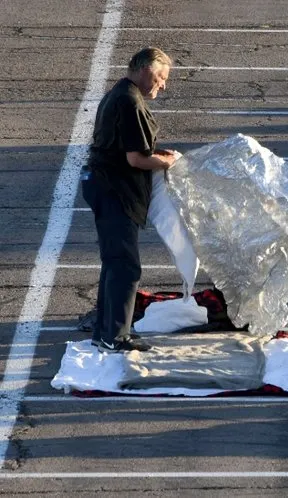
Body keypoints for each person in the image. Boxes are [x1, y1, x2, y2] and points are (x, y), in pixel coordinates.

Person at [81, 47, 176, 353]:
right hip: (115, 190)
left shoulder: (118, 94)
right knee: (125, 266)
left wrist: (157, 157)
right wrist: (167, 162)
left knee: (113, 262)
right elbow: (136, 159)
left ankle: (104, 332)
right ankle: (116, 336)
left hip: (104, 185)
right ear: (146, 70)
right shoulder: (129, 101)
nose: (163, 85)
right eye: (161, 77)